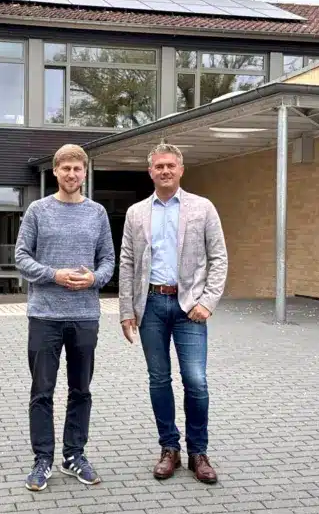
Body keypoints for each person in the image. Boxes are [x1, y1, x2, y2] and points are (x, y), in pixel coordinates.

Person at [118, 142, 228, 484]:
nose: (165, 171)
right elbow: (127, 262)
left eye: (170, 165)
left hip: (189, 309)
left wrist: (207, 302)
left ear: (181, 169)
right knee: (158, 380)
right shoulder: (137, 212)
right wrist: (126, 310)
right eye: (158, 166)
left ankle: (198, 452)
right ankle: (169, 448)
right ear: (150, 171)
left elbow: (219, 258)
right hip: (150, 306)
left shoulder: (203, 208)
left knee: (196, 381)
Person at [15, 143, 116, 492]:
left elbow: (108, 261)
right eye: (65, 168)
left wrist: (94, 279)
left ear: (84, 172)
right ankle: (42, 459)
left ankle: (75, 455)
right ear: (55, 172)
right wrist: (53, 275)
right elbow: (21, 257)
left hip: (85, 316)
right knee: (42, 390)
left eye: (77, 169)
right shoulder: (38, 211)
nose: (71, 174)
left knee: (81, 390)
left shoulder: (97, 213)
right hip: (45, 315)